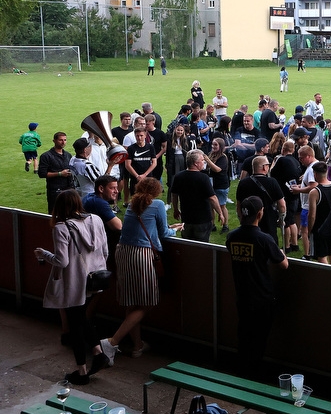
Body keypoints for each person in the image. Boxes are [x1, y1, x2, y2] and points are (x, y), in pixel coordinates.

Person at [35, 190, 109, 385]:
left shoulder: (61, 227)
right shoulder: (96, 219)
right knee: (81, 318)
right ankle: (98, 354)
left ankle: (82, 372)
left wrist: (44, 254)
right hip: (96, 279)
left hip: (75, 283)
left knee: (75, 326)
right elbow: (105, 251)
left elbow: (61, 260)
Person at [97, 178, 173, 368]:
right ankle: (112, 342)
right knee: (148, 302)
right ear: (156, 191)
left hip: (122, 251)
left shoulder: (132, 203)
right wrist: (175, 230)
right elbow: (163, 233)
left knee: (131, 300)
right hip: (141, 254)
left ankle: (137, 346)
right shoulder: (157, 205)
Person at [226, 196, 288, 374]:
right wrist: (281, 252)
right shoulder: (264, 239)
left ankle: (243, 370)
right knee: (259, 339)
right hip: (262, 297)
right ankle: (253, 374)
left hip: (242, 295)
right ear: (260, 214)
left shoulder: (232, 236)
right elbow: (283, 264)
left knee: (244, 335)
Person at [170, 149, 225, 242]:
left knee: (187, 244)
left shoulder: (178, 177)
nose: (204, 163)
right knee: (202, 247)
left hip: (186, 218)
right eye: (202, 161)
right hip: (202, 219)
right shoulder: (203, 178)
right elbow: (212, 198)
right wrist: (220, 213)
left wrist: (175, 209)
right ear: (196, 163)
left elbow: (174, 195)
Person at [236, 155, 286, 246]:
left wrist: (241, 218)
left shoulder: (243, 183)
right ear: (264, 167)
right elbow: (282, 204)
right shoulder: (272, 182)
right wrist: (281, 218)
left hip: (248, 220)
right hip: (268, 220)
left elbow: (238, 204)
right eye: (268, 165)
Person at [306, 161, 331, 264]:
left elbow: (312, 215)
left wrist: (309, 230)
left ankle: (328, 278)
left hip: (320, 229)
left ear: (315, 174)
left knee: (321, 255)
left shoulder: (314, 192)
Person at [38, 131, 74, 213]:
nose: (63, 142)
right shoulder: (46, 156)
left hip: (69, 188)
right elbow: (42, 174)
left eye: (65, 140)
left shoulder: (68, 155)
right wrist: (60, 174)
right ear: (54, 141)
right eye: (60, 140)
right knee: (55, 212)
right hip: (55, 190)